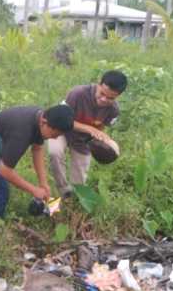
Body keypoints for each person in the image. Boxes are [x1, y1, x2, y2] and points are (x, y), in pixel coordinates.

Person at [0, 104, 74, 226]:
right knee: (0, 190)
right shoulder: (22, 133)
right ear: (44, 122)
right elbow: (5, 171)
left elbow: (37, 149)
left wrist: (43, 182)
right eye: (54, 135)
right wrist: (33, 190)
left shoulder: (40, 117)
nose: (54, 139)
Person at [48, 70, 127, 199]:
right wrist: (90, 129)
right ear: (98, 84)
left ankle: (73, 201)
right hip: (61, 130)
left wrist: (103, 142)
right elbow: (62, 119)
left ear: (118, 96)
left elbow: (100, 128)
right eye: (102, 93)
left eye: (110, 98)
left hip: (83, 140)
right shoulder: (78, 93)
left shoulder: (113, 110)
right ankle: (63, 190)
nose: (104, 99)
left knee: (80, 181)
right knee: (54, 151)